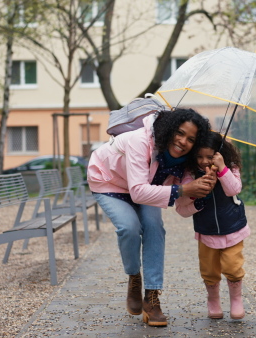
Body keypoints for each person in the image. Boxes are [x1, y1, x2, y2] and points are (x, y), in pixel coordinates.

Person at [87, 108, 216, 327]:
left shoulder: (185, 162)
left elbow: (181, 206)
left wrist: (200, 192)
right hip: (108, 180)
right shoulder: (141, 141)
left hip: (145, 186)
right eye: (180, 133)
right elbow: (138, 192)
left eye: (191, 139)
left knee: (154, 226)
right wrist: (184, 190)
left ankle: (152, 297)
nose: (183, 141)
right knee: (128, 227)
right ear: (169, 129)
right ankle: (134, 277)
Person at [175, 131, 250, 320]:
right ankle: (213, 300)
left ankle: (236, 300)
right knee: (209, 269)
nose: (204, 161)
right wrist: (197, 192)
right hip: (206, 230)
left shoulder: (230, 167)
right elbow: (181, 208)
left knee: (233, 266)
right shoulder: (190, 174)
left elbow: (234, 189)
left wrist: (222, 168)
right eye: (199, 156)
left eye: (209, 157)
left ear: (219, 154)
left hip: (232, 226)